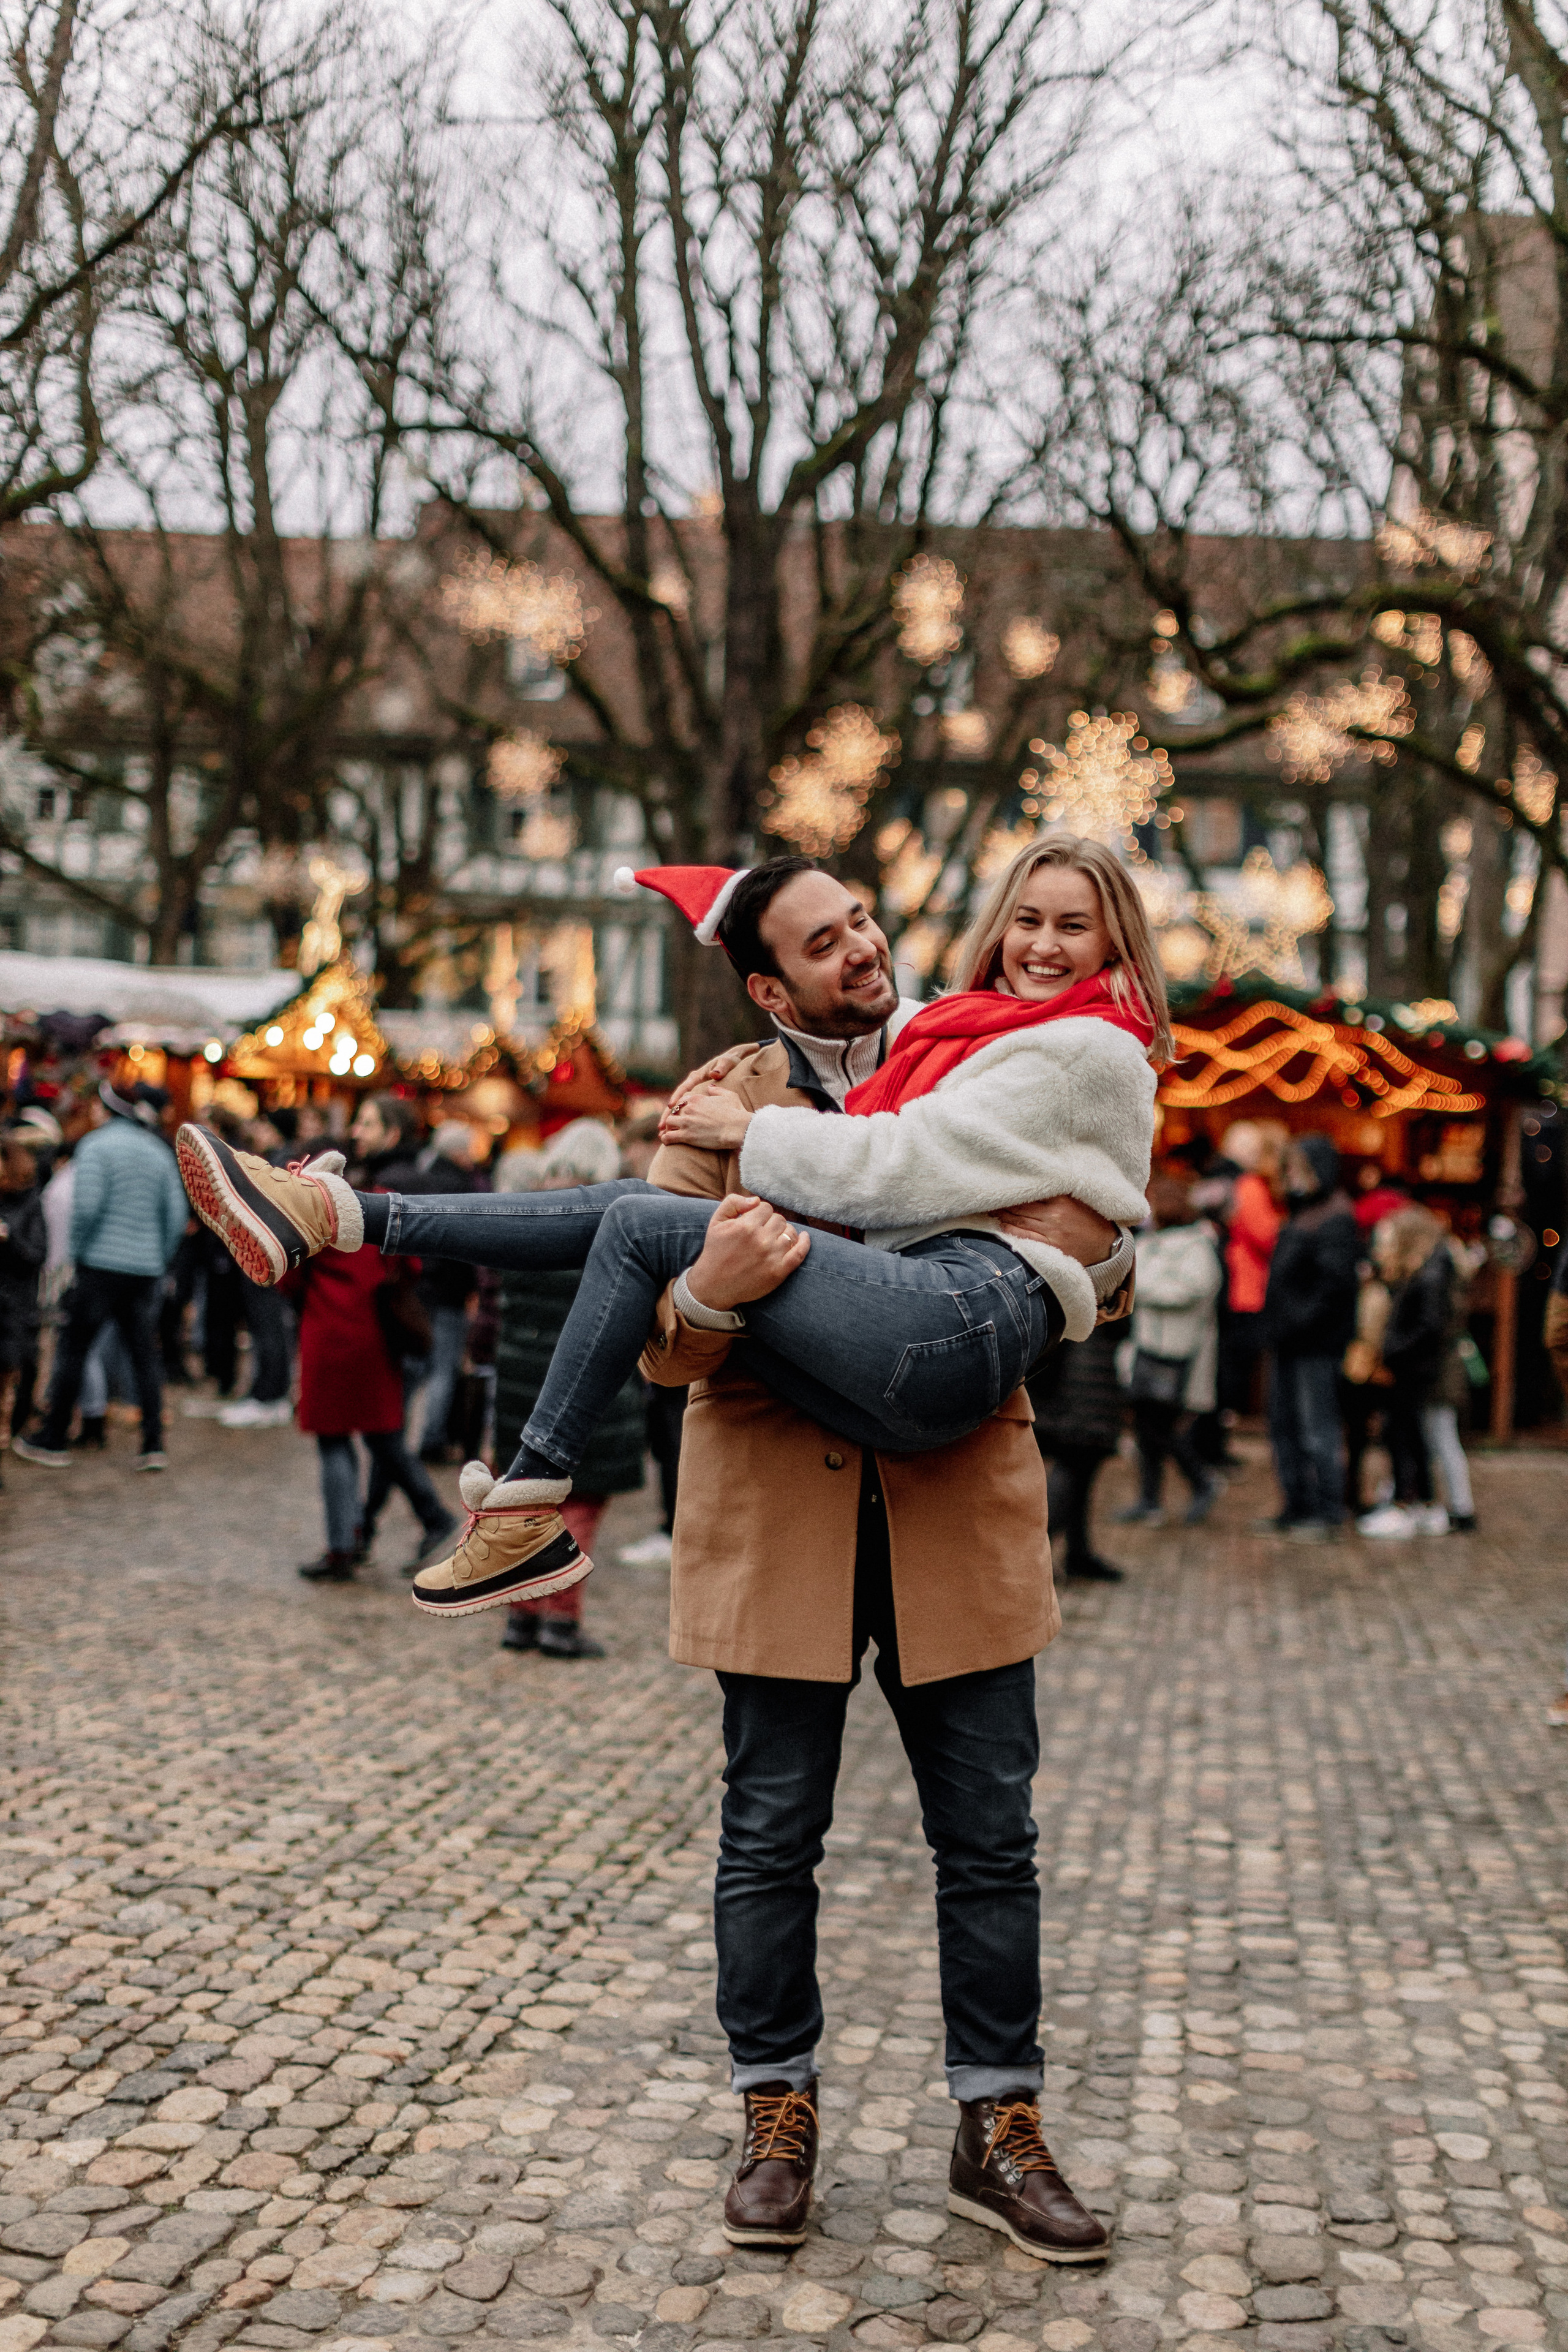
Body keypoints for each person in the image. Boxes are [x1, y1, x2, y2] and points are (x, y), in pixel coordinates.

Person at [176, 840, 1156, 1619]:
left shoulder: (989, 1042)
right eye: (821, 944)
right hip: (791, 1503)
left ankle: (365, 1249)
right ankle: (337, 1219)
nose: (860, 947)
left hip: (943, 1463)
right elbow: (656, 1341)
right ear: (769, 991)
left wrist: (1106, 1248)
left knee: (983, 1831)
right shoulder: (753, 1090)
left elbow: (950, 1178)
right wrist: (710, 1289)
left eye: (858, 919)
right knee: (766, 1833)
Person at [493, 1121, 647, 1658]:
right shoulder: (613, 1223)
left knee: (521, 1504)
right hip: (588, 1380)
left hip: (519, 1377)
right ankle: (560, 1621)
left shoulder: (524, 1214)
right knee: (577, 1506)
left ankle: (520, 1617)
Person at [14, 1080, 189, 1471]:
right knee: (145, 1356)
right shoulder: (159, 1152)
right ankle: (153, 1444)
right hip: (145, 1271)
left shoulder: (95, 1147)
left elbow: (88, 1207)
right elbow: (176, 1215)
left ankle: (54, 1437)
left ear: (104, 1108)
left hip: (99, 1268)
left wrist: (75, 1255)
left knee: (73, 1351)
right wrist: (157, 1257)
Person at [288, 1234, 458, 1583]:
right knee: (383, 1436)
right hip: (375, 1333)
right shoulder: (381, 1200)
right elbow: (411, 1263)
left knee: (333, 1440)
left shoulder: (312, 1205)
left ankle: (343, 1546)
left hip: (327, 1330)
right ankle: (424, 1519)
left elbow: (287, 1274)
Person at [1258, 1133, 1360, 1541]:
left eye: (1301, 1168)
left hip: (1315, 1343)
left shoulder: (1335, 1217)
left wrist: (1298, 1319)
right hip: (1288, 1339)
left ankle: (1327, 1508)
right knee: (1283, 1427)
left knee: (1317, 1428)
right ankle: (1295, 1504)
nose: (1294, 1176)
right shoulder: (1301, 1213)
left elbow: (1335, 1286)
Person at [1355, 1206, 1475, 1539]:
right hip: (1426, 1368)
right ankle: (1428, 1504)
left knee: (1432, 1436)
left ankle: (1442, 1507)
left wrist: (1394, 1350)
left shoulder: (1432, 1271)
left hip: (1427, 1370)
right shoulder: (1430, 1268)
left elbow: (1429, 1325)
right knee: (1425, 1436)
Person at [1117, 1173, 1222, 1527]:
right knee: (1148, 1427)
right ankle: (1151, 1499)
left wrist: (1145, 1291)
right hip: (1147, 1346)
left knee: (1162, 1426)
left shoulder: (1196, 1245)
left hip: (1178, 1350)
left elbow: (1193, 1289)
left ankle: (1200, 1481)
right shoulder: (1147, 1243)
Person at [1026, 1317, 1128, 1581]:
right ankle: (1028, 1556)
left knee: (1081, 1470)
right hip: (1078, 1380)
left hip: (1082, 1373)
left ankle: (1078, 1554)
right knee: (1074, 1466)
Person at [0, 1130, 48, 1468]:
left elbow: (35, 1255)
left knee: (17, 1370)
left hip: (15, 1305)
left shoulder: (30, 1201)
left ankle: (15, 1431)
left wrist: (8, 1238)